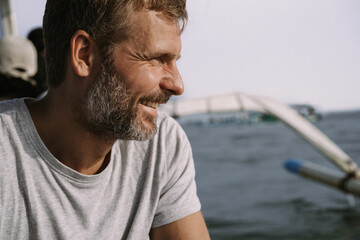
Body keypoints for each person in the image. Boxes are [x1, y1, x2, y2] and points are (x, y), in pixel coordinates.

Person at [0, 0, 210, 239]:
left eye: (175, 61)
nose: (177, 85)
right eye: (155, 59)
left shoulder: (163, 145)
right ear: (84, 55)